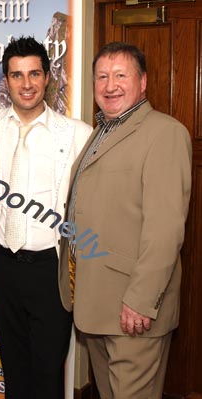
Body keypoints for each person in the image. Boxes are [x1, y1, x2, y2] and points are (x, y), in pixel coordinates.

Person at [59, 42, 192, 399]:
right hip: (96, 304)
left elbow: (165, 229)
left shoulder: (165, 133)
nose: (109, 85)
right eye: (102, 76)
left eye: (121, 75)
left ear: (143, 82)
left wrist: (141, 300)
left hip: (132, 310)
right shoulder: (101, 132)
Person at [0, 36, 92, 399]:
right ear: (6, 80)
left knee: (48, 374)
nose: (26, 84)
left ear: (48, 77)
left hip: (50, 269)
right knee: (14, 371)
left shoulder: (76, 134)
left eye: (34, 74)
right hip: (2, 265)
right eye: (17, 75)